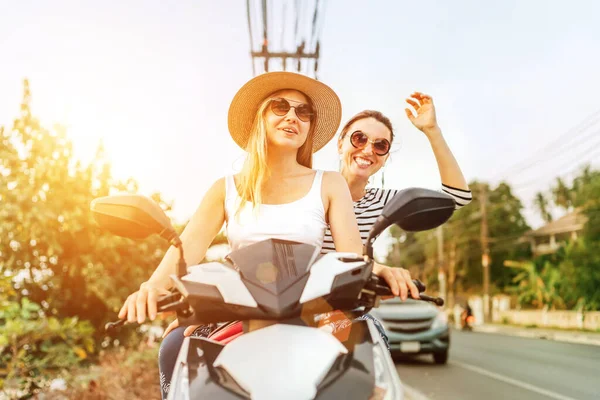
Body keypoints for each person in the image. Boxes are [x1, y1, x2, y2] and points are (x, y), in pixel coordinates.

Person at [116, 72, 416, 399]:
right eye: (281, 107)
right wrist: (150, 288)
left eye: (303, 112)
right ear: (262, 116)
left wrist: (381, 270)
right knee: (174, 347)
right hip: (239, 315)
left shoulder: (329, 183)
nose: (292, 117)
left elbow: (352, 259)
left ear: (310, 127)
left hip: (313, 314)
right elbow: (184, 251)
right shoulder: (226, 188)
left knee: (373, 350)